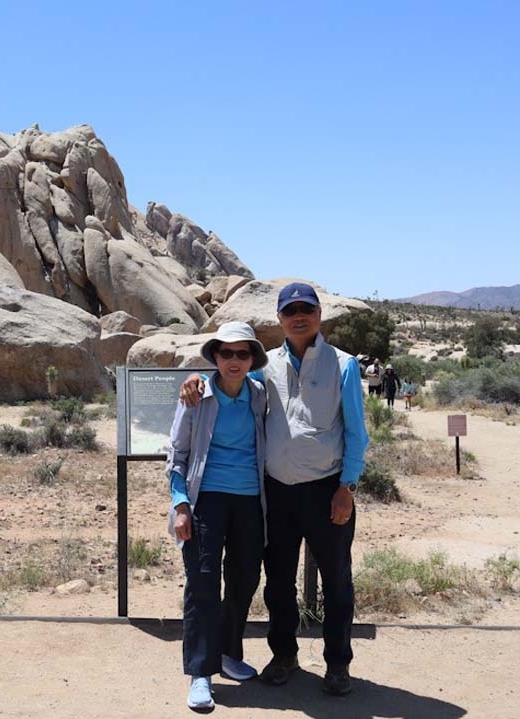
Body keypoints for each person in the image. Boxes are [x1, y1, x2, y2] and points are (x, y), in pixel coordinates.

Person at [180, 282, 369, 696]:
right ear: (280, 318)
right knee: (278, 580)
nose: (299, 317)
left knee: (337, 581)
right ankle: (284, 655)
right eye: (290, 311)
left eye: (306, 309)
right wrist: (196, 379)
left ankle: (338, 663)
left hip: (327, 490)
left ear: (319, 314)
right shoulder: (265, 367)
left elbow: (357, 433)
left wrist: (347, 487)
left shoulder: (344, 365)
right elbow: (227, 379)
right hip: (276, 493)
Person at [166, 321, 270, 712]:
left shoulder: (259, 395)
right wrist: (180, 505)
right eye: (226, 352)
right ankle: (201, 672)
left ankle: (227, 653)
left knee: (244, 579)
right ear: (215, 356)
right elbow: (176, 455)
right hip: (205, 500)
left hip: (250, 501)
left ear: (252, 359)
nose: (234, 360)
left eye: (243, 353)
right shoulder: (196, 397)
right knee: (203, 583)